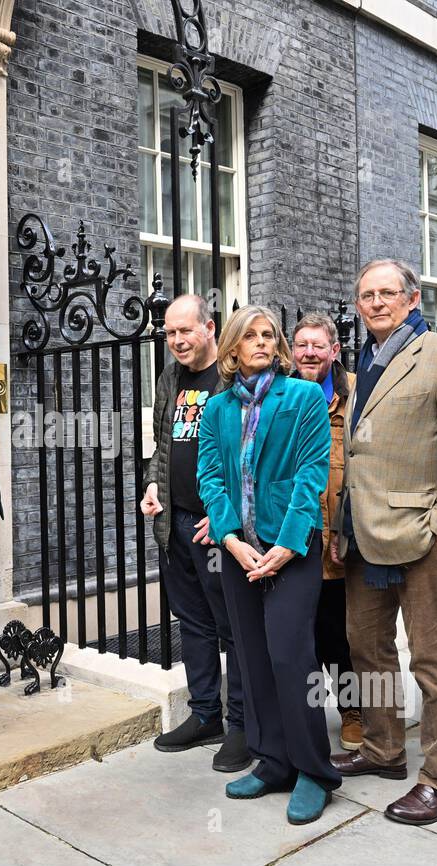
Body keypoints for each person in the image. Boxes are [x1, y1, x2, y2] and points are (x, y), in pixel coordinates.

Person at [331, 259, 437, 826]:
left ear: (413, 298)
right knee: (366, 650)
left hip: (420, 537)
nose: (376, 302)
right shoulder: (363, 366)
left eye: (388, 293)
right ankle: (383, 750)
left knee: (433, 658)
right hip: (363, 539)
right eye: (366, 294)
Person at [197, 304, 340, 825]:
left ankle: (314, 770)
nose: (261, 342)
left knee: (289, 656)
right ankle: (274, 760)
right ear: (232, 347)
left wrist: (288, 544)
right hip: (238, 552)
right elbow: (210, 478)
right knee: (251, 657)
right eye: (250, 336)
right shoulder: (215, 409)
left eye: (268, 335)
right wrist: (231, 540)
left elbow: (311, 474)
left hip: (291, 551)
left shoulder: (301, 397)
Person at [141, 294, 249, 772]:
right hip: (176, 522)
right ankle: (206, 715)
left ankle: (244, 724)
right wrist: (151, 483)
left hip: (218, 529)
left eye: (185, 331)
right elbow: (162, 441)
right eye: (169, 333)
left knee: (235, 628)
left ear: (210, 327)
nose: (177, 341)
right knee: (195, 624)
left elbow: (251, 452)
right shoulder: (170, 378)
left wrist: (226, 516)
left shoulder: (232, 377)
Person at [291, 312, 363, 752]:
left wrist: (347, 530)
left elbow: (364, 466)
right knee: (304, 632)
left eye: (319, 345)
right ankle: (309, 713)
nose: (310, 352)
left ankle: (354, 711)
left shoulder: (353, 394)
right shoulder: (282, 393)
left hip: (339, 535)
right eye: (302, 345)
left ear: (334, 351)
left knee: (344, 634)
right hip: (295, 534)